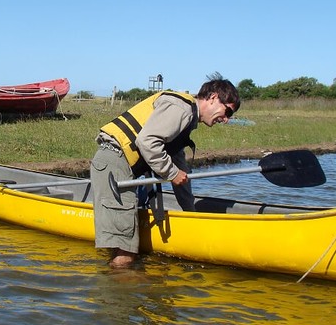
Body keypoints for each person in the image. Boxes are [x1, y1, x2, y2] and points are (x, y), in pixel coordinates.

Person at [91, 77, 240, 268]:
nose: (226, 120)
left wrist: (191, 215)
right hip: (114, 165)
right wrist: (171, 172)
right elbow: (147, 142)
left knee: (124, 248)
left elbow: (180, 171)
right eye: (227, 111)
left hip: (119, 167)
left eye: (231, 116)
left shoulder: (185, 121)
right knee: (125, 254)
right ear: (213, 97)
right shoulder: (181, 108)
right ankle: (118, 293)